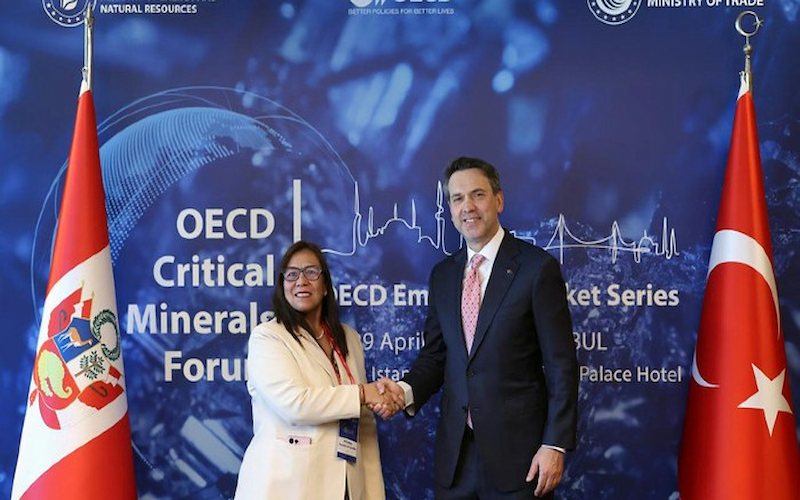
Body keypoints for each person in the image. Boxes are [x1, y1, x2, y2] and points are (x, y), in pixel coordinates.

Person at [376, 157, 579, 499]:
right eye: (457, 198)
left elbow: (561, 364)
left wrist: (554, 444)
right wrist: (404, 392)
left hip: (521, 461)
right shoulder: (443, 276)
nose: (467, 207)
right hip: (456, 462)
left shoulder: (536, 268)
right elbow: (437, 357)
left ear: (499, 200)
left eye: (478, 195)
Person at [235, 241, 392, 500]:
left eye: (311, 272)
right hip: (285, 489)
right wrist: (363, 393)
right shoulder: (268, 337)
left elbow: (363, 425)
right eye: (292, 274)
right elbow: (295, 405)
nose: (301, 281)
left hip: (344, 489)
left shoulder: (349, 338)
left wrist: (373, 494)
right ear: (282, 286)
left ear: (326, 285)